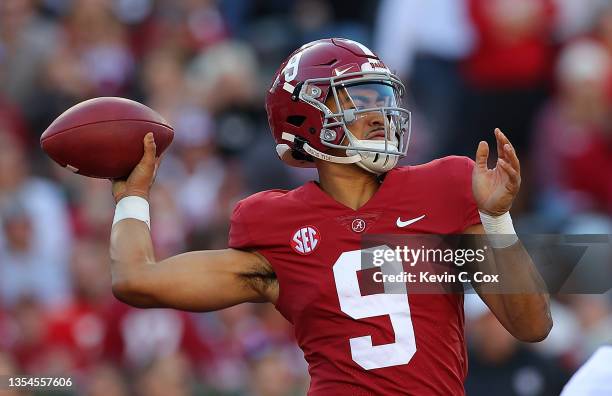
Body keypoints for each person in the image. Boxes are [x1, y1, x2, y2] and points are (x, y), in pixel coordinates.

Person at [108, 38, 552, 395]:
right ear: (307, 114)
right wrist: (133, 196)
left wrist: (497, 220)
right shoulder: (275, 223)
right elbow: (136, 280)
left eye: (382, 99)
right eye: (358, 100)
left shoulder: (445, 186)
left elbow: (531, 326)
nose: (379, 115)